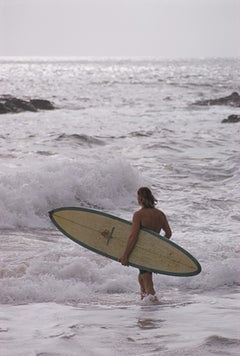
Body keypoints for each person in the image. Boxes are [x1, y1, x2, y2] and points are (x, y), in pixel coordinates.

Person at [119, 187, 172, 301]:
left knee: (147, 280)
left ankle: (154, 307)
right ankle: (145, 306)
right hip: (152, 250)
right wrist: (157, 245)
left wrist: (125, 255)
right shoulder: (160, 214)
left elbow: (133, 236)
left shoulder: (139, 215)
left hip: (142, 251)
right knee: (142, 277)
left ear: (140, 198)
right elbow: (168, 233)